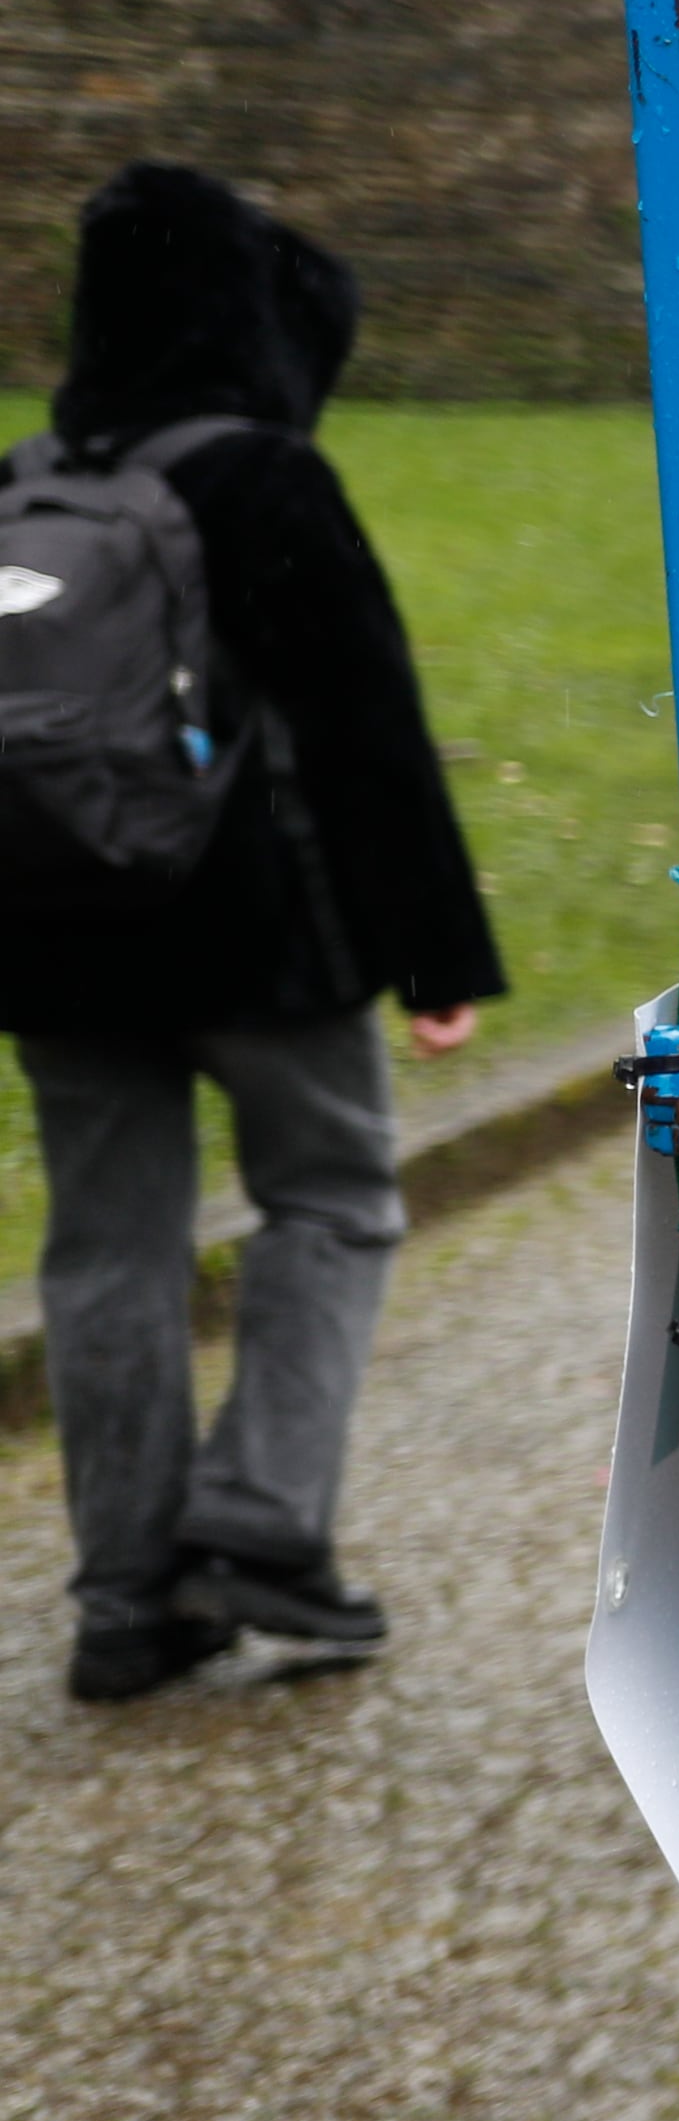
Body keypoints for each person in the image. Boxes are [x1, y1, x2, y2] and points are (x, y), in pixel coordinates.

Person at [5, 166, 503, 1704]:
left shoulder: (23, 480)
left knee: (107, 1250)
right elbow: (370, 734)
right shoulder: (266, 478)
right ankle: (263, 1528)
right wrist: (437, 957)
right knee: (336, 1197)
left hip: (53, 941)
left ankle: (126, 1599)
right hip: (254, 938)